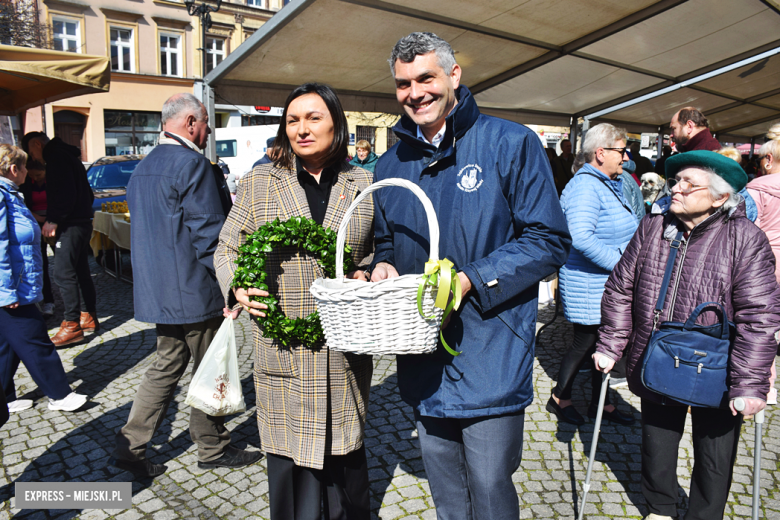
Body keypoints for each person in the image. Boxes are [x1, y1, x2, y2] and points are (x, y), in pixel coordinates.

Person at [371, 32, 571, 520]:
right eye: (403, 84)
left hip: (491, 355)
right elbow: (385, 242)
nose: (414, 93)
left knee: (489, 490)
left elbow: (549, 240)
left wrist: (470, 280)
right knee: (447, 497)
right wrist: (381, 265)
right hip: (422, 359)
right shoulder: (388, 164)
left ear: (453, 75)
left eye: (425, 78)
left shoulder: (511, 142)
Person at [215, 83, 374, 520]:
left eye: (313, 117)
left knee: (347, 471)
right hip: (283, 345)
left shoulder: (363, 184)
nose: (302, 129)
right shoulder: (260, 182)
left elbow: (377, 250)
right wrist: (238, 286)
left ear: (336, 124)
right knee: (290, 472)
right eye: (292, 120)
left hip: (342, 348)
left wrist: (368, 269)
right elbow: (227, 247)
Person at [594, 150, 780, 520]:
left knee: (714, 455)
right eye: (675, 181)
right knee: (657, 445)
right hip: (657, 352)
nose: (675, 189)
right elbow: (621, 286)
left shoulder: (746, 238)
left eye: (687, 184)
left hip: (718, 364)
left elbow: (759, 316)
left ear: (719, 196)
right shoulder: (654, 225)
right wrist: (612, 343)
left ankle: (703, 515)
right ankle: (660, 507)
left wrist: (750, 384)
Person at [110, 93, 261, 479]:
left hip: (160, 291)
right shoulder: (193, 165)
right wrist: (233, 285)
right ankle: (211, 446)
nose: (208, 129)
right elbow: (211, 236)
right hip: (195, 291)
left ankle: (131, 444)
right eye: (206, 121)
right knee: (209, 368)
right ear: (191, 122)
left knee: (166, 366)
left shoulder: (143, 167)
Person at [547, 123, 637, 427]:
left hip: (603, 283)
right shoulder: (586, 186)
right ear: (601, 153)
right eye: (621, 151)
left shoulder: (605, 182)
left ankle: (602, 405)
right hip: (589, 283)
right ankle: (561, 397)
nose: (625, 158)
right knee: (585, 344)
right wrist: (621, 264)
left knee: (604, 345)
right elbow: (581, 238)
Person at [0, 144, 88, 414]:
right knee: (35, 338)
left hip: (16, 285)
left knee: (6, 345)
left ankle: (4, 397)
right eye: (25, 166)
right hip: (13, 288)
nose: (28, 172)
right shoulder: (3, 196)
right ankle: (59, 394)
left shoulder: (10, 194)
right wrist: (6, 292)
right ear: (14, 169)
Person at [21, 132, 97, 346]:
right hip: (81, 222)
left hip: (70, 225)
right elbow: (87, 194)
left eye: (32, 151)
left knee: (63, 273)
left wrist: (53, 219)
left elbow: (65, 193)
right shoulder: (70, 156)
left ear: (38, 143)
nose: (33, 157)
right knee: (81, 270)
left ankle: (72, 324)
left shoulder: (55, 157)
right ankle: (88, 315)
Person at [746, 124, 780, 405]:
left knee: (759, 326)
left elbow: (747, 232)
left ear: (768, 160)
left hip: (765, 267)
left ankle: (760, 386)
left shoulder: (757, 189)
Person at [20, 158, 55, 317]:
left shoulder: (53, 182)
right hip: (35, 224)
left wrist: (52, 219)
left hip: (54, 224)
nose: (36, 178)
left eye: (39, 175)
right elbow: (24, 204)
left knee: (63, 266)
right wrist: (37, 218)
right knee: (40, 263)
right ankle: (47, 300)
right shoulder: (27, 184)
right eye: (33, 176)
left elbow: (58, 202)